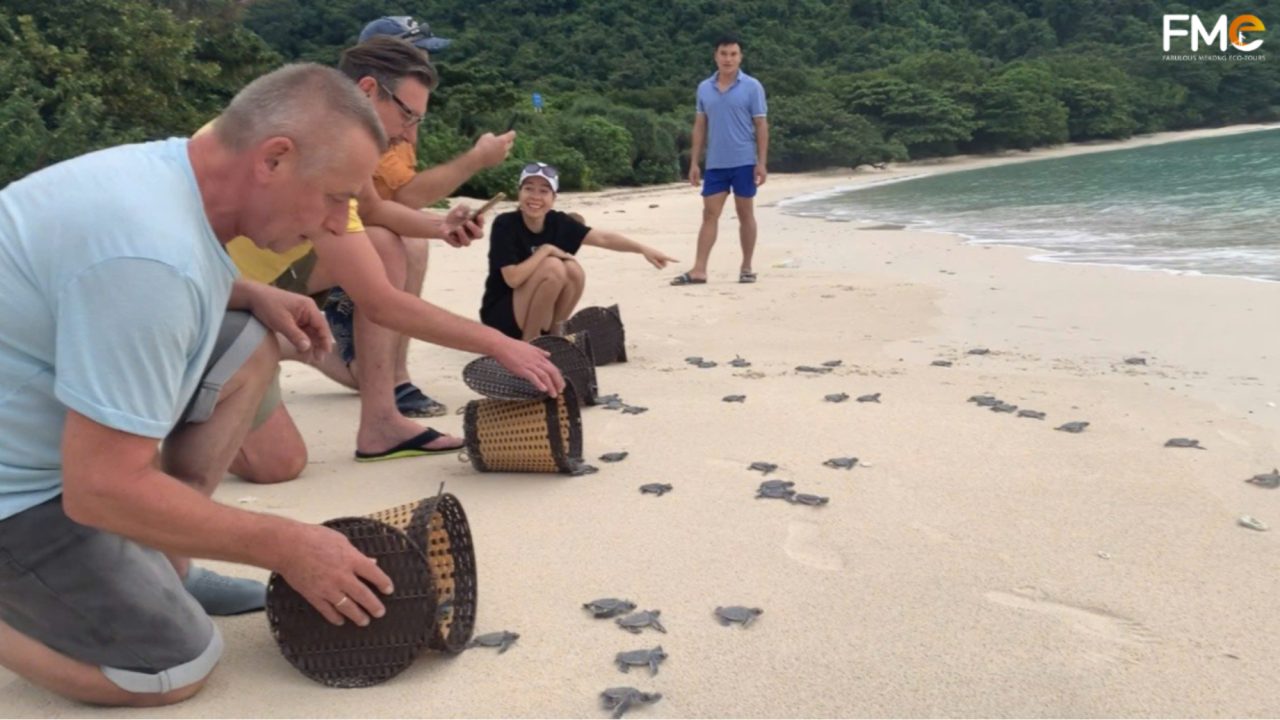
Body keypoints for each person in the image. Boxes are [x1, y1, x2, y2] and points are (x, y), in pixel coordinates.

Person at [0, 64, 404, 707]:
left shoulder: (167, 177)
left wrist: (246, 291)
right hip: (19, 491)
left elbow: (115, 274)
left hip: (41, 425)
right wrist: (287, 546)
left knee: (248, 338)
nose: (338, 223)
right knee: (170, 668)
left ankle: (162, 558)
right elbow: (97, 488)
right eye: (336, 195)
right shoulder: (151, 258)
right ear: (274, 158)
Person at [228, 38, 563, 478]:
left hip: (252, 287)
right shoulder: (303, 145)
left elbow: (368, 210)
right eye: (408, 116)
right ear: (367, 90)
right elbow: (382, 300)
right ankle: (214, 375)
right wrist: (500, 344)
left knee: (387, 244)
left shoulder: (340, 148)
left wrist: (441, 227)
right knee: (277, 465)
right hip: (207, 300)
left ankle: (376, 417)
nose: (409, 134)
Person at [310, 16, 517, 420]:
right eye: (416, 52)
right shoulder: (343, 126)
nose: (425, 60)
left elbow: (377, 204)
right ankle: (387, 388)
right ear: (376, 75)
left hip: (350, 233)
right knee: (398, 243)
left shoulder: (388, 116)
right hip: (315, 249)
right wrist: (476, 160)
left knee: (404, 241)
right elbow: (402, 199)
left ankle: (357, 368)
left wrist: (445, 226)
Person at [481, 163, 676, 341]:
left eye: (543, 191)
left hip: (537, 313)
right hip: (503, 317)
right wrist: (546, 250)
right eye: (529, 188)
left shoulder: (558, 222)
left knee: (573, 269)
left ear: (553, 198)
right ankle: (531, 340)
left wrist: (642, 249)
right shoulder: (505, 224)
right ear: (519, 193)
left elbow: (603, 238)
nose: (535, 196)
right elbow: (512, 279)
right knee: (553, 265)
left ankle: (555, 335)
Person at [670, 34, 769, 286]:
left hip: (745, 161)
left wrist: (762, 162)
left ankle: (746, 267)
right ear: (716, 56)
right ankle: (699, 270)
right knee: (709, 214)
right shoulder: (704, 87)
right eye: (724, 54)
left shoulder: (752, 86)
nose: (728, 59)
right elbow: (700, 125)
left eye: (733, 54)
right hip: (715, 163)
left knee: (745, 213)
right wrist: (694, 162)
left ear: (740, 57)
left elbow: (761, 124)